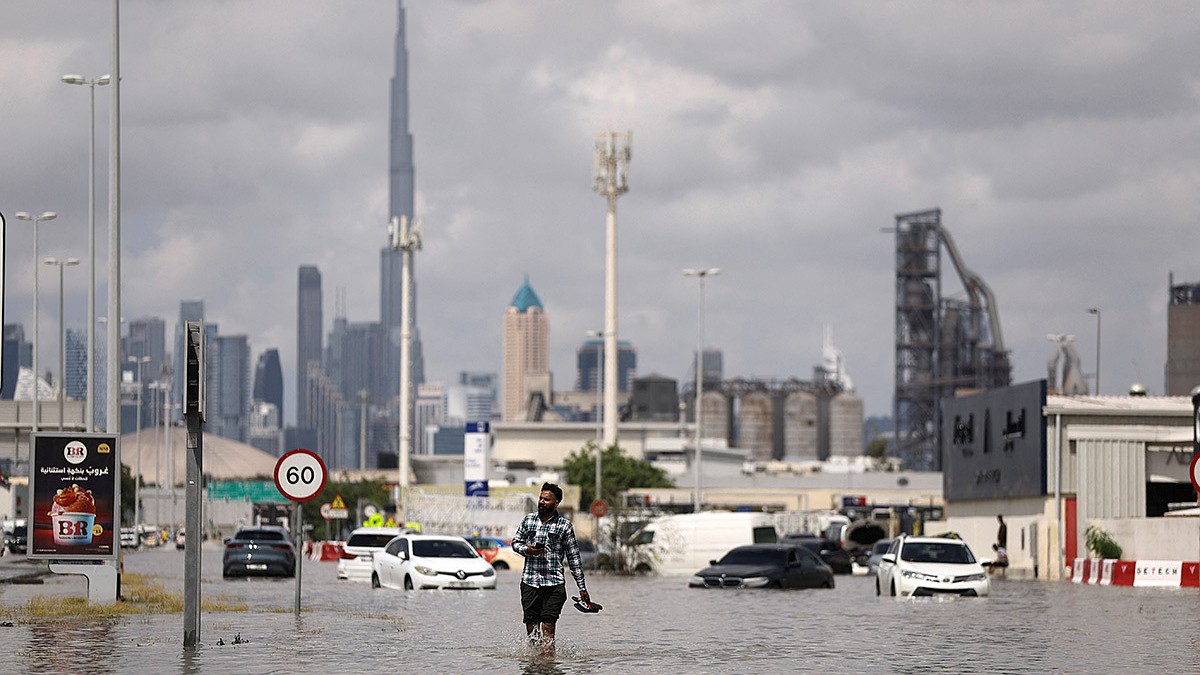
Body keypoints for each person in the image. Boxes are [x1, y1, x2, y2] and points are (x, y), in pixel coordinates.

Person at [512, 482, 590, 656]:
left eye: (546, 500)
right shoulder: (528, 520)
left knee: (548, 625)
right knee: (532, 628)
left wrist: (582, 587)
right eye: (541, 498)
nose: (541, 502)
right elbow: (515, 543)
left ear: (556, 503)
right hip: (530, 582)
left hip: (554, 584)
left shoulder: (564, 526)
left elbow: (574, 557)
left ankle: (548, 665)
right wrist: (528, 550)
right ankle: (534, 663)